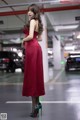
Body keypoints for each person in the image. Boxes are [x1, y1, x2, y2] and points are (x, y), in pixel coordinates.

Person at [22, 4, 45, 117]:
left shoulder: (32, 21)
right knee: (35, 76)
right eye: (28, 11)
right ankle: (37, 104)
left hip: (32, 48)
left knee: (31, 77)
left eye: (31, 11)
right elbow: (39, 38)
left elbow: (30, 36)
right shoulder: (38, 23)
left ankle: (35, 107)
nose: (28, 13)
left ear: (35, 12)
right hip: (36, 48)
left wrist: (23, 40)